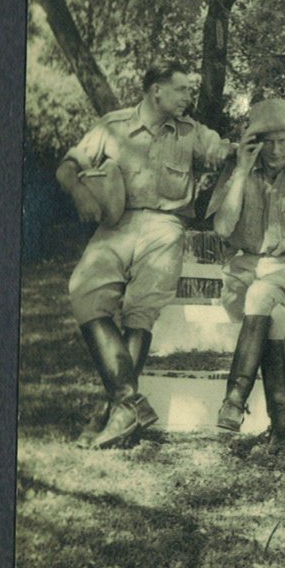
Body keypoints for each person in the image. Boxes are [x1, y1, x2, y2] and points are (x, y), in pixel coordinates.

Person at [57, 60, 229, 449]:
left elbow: (217, 148)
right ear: (157, 91)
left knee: (140, 306)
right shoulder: (113, 125)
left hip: (164, 226)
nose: (189, 96)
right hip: (116, 224)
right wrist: (82, 193)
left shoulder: (190, 131)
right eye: (183, 89)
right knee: (83, 290)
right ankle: (129, 403)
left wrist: (224, 152)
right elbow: (67, 167)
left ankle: (113, 409)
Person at [208, 98, 285, 453]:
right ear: (255, 141)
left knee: (261, 297)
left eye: (284, 140)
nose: (277, 149)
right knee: (274, 319)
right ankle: (282, 432)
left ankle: (234, 399)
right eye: (269, 141)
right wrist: (242, 171)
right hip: (242, 268)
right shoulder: (238, 168)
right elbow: (221, 228)